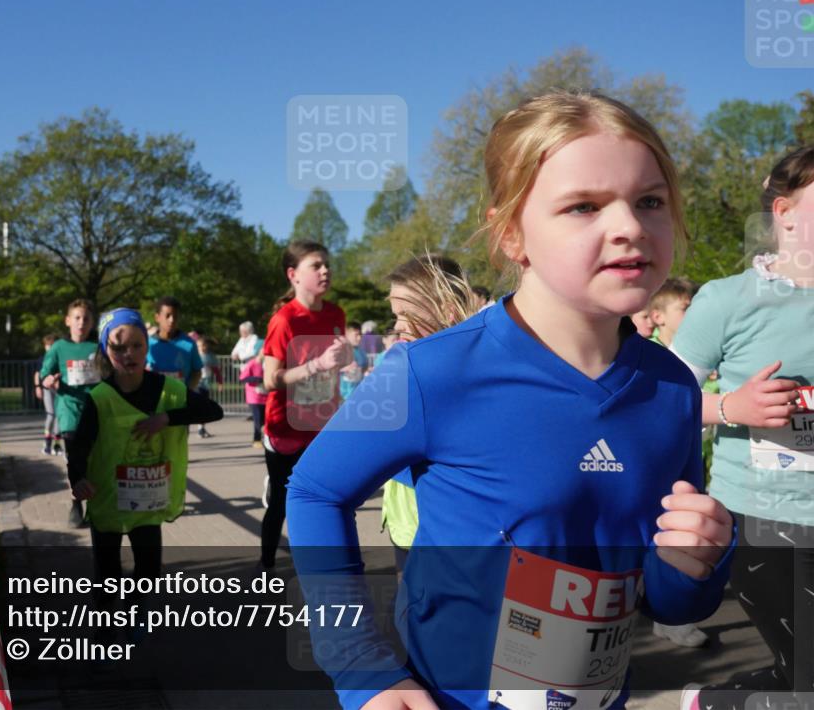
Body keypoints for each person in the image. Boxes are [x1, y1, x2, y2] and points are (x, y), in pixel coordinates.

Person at [286, 92, 735, 710]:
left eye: (650, 200)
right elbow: (314, 491)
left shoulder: (672, 388)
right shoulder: (429, 372)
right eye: (583, 206)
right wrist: (360, 668)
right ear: (511, 234)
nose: (629, 226)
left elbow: (670, 598)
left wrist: (696, 562)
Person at [674, 145, 813, 710]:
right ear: (783, 213)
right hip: (766, 519)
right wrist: (735, 407)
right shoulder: (726, 300)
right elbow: (659, 401)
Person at [66, 308, 223, 611]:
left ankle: (135, 607)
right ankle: (105, 627)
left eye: (137, 345)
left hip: (147, 498)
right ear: (104, 350)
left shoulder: (167, 389)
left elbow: (213, 411)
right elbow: (80, 444)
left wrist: (166, 418)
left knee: (149, 571)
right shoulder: (99, 397)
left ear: (147, 346)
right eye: (119, 347)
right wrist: (77, 478)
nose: (129, 353)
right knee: (107, 574)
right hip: (107, 497)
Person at [380, 255, 476, 577]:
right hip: (404, 525)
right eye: (395, 316)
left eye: (405, 315)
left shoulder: (474, 372)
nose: (397, 327)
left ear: (446, 309)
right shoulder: (403, 367)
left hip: (446, 537)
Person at [260, 239, 350, 570]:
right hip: (286, 427)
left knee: (323, 499)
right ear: (293, 274)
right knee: (282, 504)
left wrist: (346, 358)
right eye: (316, 265)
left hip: (323, 423)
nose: (325, 270)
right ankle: (265, 563)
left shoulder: (336, 313)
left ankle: (318, 565)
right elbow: (270, 379)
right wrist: (317, 366)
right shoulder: (284, 320)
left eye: (327, 264)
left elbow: (338, 362)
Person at [642, 278, 713, 649]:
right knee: (661, 531)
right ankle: (666, 619)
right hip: (655, 460)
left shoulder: (697, 358)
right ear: (658, 316)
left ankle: (666, 612)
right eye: (686, 308)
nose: (695, 315)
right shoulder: (649, 360)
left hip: (692, 454)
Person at [41, 299, 99, 528]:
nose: (81, 322)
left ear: (92, 322)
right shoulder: (59, 348)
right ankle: (76, 505)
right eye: (77, 318)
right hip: (69, 411)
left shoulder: (98, 347)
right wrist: (47, 379)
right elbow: (45, 372)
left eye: (86, 318)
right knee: (75, 461)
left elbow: (110, 373)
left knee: (95, 460)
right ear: (68, 321)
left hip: (96, 410)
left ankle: (96, 504)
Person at [148, 297, 203, 390]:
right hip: (153, 400)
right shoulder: (147, 344)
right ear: (157, 317)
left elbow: (197, 371)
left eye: (175, 316)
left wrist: (188, 391)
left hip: (180, 400)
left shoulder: (189, 344)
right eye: (167, 315)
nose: (172, 320)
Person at [34, 334, 63, 456]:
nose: (50, 348)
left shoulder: (59, 358)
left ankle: (57, 444)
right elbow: (37, 374)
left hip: (58, 389)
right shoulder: (43, 359)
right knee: (51, 415)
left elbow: (63, 372)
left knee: (58, 417)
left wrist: (58, 381)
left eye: (52, 345)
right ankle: (47, 443)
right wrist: (38, 387)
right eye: (48, 345)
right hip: (47, 390)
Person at [239, 348, 267, 448]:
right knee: (257, 419)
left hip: (266, 396)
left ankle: (264, 439)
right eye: (265, 352)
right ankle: (256, 439)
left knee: (265, 420)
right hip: (253, 397)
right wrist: (258, 379)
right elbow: (242, 378)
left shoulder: (268, 365)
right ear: (260, 353)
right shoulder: (252, 364)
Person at [196, 336, 223, 438]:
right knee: (197, 406)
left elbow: (216, 371)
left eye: (203, 345)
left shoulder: (210, 357)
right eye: (199, 346)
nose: (202, 347)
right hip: (195, 384)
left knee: (203, 406)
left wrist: (220, 383)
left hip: (205, 384)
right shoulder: (195, 356)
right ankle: (197, 428)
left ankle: (201, 428)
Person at [339, 323, 369, 401]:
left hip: (358, 394)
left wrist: (367, 370)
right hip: (343, 396)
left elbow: (365, 367)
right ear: (346, 334)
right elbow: (330, 370)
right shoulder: (340, 350)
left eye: (360, 335)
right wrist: (344, 368)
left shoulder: (361, 351)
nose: (359, 338)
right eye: (356, 335)